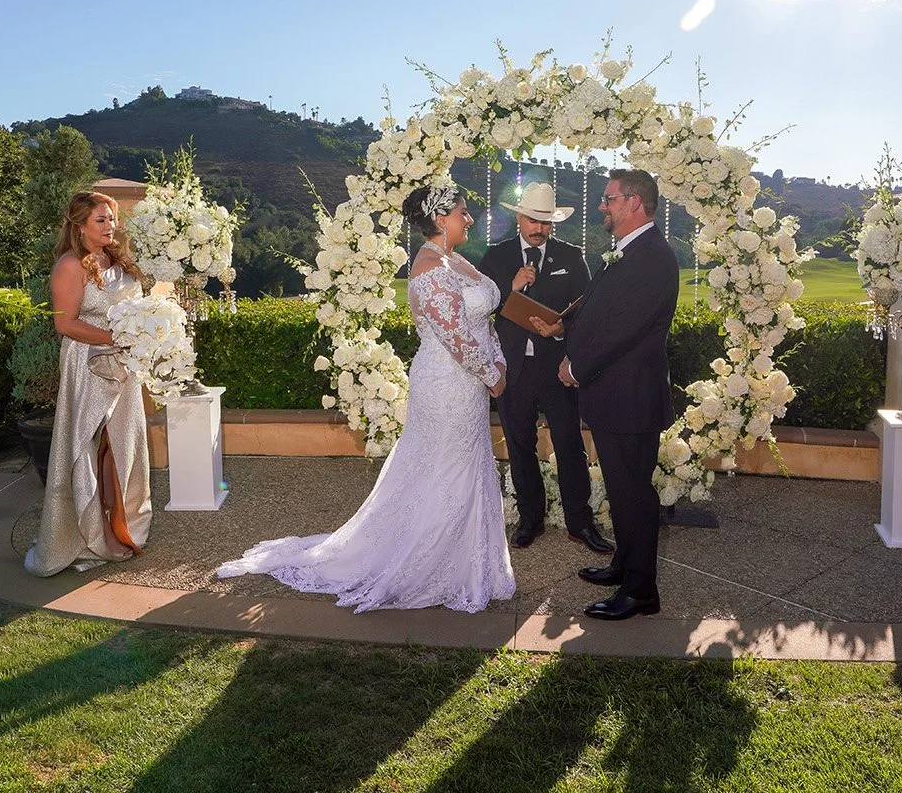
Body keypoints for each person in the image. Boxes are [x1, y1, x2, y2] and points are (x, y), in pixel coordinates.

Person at [219, 184, 516, 613]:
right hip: (447, 384)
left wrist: (498, 362)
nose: (468, 219)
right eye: (462, 213)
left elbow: (482, 321)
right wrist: (494, 376)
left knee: (463, 466)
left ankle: (466, 564)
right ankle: (428, 566)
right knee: (444, 470)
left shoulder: (454, 261)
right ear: (438, 220)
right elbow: (455, 337)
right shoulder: (429, 271)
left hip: (468, 385)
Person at [554, 169, 679, 621]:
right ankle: (625, 566)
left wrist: (577, 366)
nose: (602, 206)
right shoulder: (629, 253)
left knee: (633, 494)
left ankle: (642, 591)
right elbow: (601, 313)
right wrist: (564, 327)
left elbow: (623, 332)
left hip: (630, 398)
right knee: (624, 489)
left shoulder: (653, 258)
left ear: (634, 203)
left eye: (609, 199)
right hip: (615, 396)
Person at [478, 182, 612, 554]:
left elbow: (586, 310)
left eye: (546, 223)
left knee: (570, 446)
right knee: (520, 446)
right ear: (519, 218)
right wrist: (512, 289)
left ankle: (580, 523)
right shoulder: (496, 257)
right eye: (532, 220)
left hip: (558, 369)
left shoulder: (571, 256)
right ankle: (530, 519)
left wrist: (561, 328)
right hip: (513, 369)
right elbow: (477, 310)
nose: (539, 229)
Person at [25, 192, 152, 577]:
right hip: (88, 363)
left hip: (124, 365)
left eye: (112, 218)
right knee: (92, 447)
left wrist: (145, 331)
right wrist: (118, 338)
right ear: (80, 226)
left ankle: (119, 524)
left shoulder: (118, 260)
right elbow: (65, 324)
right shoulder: (69, 265)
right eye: (101, 220)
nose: (111, 225)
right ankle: (91, 535)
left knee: (120, 447)